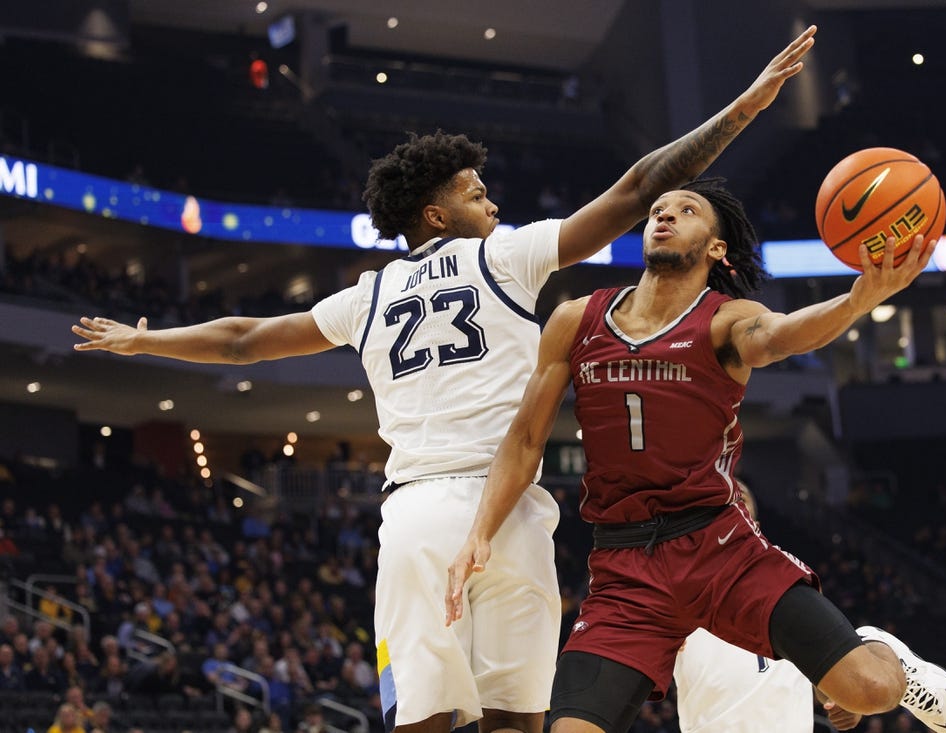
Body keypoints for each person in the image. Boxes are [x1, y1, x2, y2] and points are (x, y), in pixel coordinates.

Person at [71, 26, 816, 733]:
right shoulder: (505, 256)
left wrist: (147, 339)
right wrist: (745, 107)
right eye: (474, 191)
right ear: (437, 213)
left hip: (417, 520)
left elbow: (241, 342)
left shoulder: (365, 296)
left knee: (420, 718)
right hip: (508, 511)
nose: (492, 201)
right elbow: (636, 188)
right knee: (519, 719)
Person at [446, 178, 946, 733]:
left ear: (717, 248)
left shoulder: (724, 319)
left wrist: (860, 298)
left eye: (686, 210)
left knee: (870, 692)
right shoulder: (576, 319)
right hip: (625, 569)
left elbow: (782, 336)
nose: (664, 217)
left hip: (722, 551)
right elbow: (526, 440)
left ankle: (877, 647)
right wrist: (481, 529)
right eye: (657, 211)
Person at [673, 481, 860, 733]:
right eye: (718, 504)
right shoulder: (673, 588)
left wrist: (842, 698)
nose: (729, 508)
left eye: (739, 502)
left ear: (753, 526)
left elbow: (823, 665)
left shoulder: (794, 579)